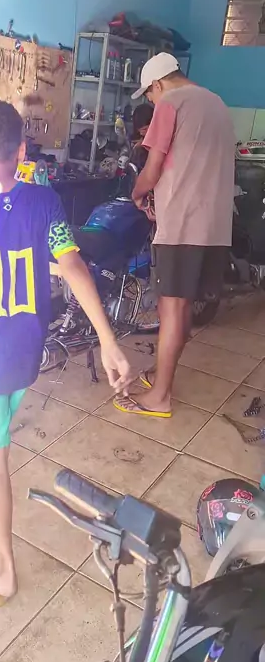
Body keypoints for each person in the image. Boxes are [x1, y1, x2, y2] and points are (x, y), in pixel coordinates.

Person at [0, 99, 132, 606]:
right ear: (21, 151)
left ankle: (1, 570)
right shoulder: (44, 201)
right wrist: (107, 339)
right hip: (27, 347)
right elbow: (72, 265)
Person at [114, 53, 235, 419]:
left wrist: (137, 194)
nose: (152, 102)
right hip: (214, 227)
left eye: (149, 95)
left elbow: (152, 170)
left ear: (158, 83)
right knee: (182, 308)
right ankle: (160, 375)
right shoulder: (218, 105)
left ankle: (160, 396)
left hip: (183, 225)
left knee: (171, 309)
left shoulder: (172, 103)